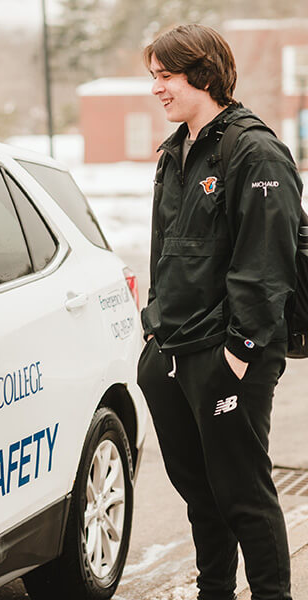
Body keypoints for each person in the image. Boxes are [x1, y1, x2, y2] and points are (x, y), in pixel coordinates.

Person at [137, 24, 303, 600]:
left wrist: (239, 352)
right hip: (172, 351)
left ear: (203, 75)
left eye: (166, 76)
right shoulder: (175, 152)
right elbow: (164, 252)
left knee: (243, 494)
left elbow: (267, 263)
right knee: (200, 494)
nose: (156, 88)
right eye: (153, 77)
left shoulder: (254, 151)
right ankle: (215, 591)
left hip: (229, 355)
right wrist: (154, 332)